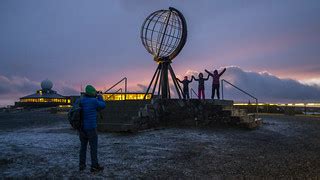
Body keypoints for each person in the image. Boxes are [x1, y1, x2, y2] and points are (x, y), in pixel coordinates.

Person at [76, 85, 106, 173]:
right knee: (93, 148)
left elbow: (75, 105)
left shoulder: (80, 100)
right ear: (92, 93)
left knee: (83, 147)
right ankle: (94, 166)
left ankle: (81, 166)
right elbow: (103, 105)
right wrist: (100, 97)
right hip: (91, 128)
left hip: (81, 128)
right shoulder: (94, 101)